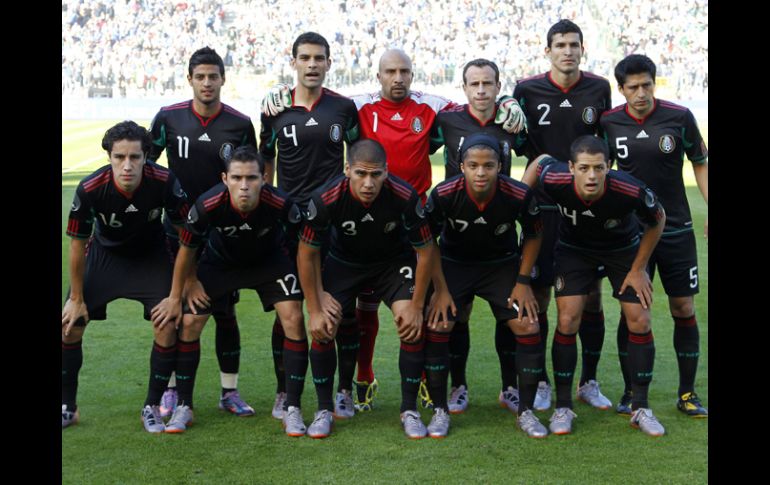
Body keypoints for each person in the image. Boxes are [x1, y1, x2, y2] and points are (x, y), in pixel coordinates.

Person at [263, 47, 526, 412]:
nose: (398, 78)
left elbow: (477, 104)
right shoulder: (355, 107)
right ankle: (362, 377)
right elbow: (315, 96)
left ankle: (422, 385)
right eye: (390, 71)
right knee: (356, 306)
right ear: (379, 75)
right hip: (351, 215)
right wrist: (280, 92)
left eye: (404, 71)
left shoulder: (433, 107)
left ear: (412, 74)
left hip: (411, 219)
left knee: (418, 308)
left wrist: (508, 100)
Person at [150, 146, 307, 435]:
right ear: (225, 178)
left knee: (294, 317)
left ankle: (291, 405)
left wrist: (307, 286)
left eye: (251, 178)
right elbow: (186, 250)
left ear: (265, 177)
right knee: (190, 321)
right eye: (237, 178)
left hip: (268, 262)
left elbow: (306, 246)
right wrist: (183, 290)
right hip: (220, 263)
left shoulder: (282, 203)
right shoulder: (207, 204)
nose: (244, 186)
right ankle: (184, 404)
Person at [521, 135, 667, 437]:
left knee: (639, 319)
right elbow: (538, 163)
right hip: (574, 250)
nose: (591, 176)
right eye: (584, 168)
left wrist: (638, 269)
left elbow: (658, 219)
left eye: (599, 168)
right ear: (571, 167)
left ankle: (641, 406)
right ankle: (563, 405)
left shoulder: (628, 189)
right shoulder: (555, 177)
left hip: (622, 251)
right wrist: (521, 198)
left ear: (608, 166)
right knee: (567, 318)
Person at [296, 139, 437, 439]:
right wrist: (316, 304)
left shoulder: (405, 196)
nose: (369, 183)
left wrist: (416, 306)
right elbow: (306, 254)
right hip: (344, 263)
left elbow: (426, 251)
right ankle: (325, 408)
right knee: (324, 325)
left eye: (376, 175)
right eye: (361, 173)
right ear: (347, 169)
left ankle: (409, 409)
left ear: (387, 172)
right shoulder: (325, 198)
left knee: (410, 324)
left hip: (391, 263)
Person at [147, 47, 259, 419]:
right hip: (176, 234)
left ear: (223, 79)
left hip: (221, 235)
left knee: (225, 315)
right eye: (201, 77)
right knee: (175, 310)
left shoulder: (240, 124)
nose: (207, 83)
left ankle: (229, 391)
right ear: (190, 79)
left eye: (214, 76)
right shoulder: (169, 118)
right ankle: (171, 391)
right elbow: (149, 169)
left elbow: (250, 175)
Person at [62, 121, 189, 433]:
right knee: (69, 326)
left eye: (135, 157)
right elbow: (77, 244)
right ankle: (68, 407)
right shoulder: (91, 188)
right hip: (105, 256)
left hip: (150, 256)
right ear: (109, 157)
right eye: (119, 157)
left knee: (167, 323)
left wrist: (178, 293)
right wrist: (76, 299)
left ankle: (152, 406)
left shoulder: (164, 181)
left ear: (147, 156)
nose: (127, 165)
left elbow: (188, 236)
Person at [513, 19, 613, 411]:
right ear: (548, 50)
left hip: (587, 210)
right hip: (544, 210)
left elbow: (607, 147)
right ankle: (539, 381)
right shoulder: (526, 90)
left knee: (590, 297)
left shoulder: (599, 88)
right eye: (560, 45)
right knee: (537, 295)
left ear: (582, 49)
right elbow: (518, 141)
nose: (567, 51)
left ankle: (588, 380)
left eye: (574, 44)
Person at [259, 32, 360, 420]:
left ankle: (344, 391)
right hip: (289, 219)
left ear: (329, 63)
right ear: (294, 62)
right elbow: (265, 161)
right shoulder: (274, 108)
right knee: (289, 310)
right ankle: (285, 391)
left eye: (320, 58)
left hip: (333, 221)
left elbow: (357, 158)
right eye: (306, 57)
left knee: (341, 309)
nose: (313, 64)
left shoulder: (344, 108)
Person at [600, 54, 708, 417]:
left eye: (647, 84)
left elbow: (700, 162)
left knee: (683, 307)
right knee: (632, 311)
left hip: (676, 228)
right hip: (631, 234)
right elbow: (600, 172)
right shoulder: (609, 123)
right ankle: (631, 390)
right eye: (633, 87)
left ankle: (687, 393)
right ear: (622, 90)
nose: (642, 92)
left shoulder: (679, 117)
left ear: (654, 83)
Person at [423, 132, 547, 438]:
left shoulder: (518, 194)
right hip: (454, 264)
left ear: (500, 165)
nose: (481, 172)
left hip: (501, 265)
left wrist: (522, 281)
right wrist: (439, 289)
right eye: (474, 165)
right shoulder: (443, 194)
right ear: (461, 165)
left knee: (528, 325)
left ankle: (526, 411)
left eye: (489, 166)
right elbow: (427, 242)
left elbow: (533, 235)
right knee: (439, 325)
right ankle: (441, 409)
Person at [428, 59, 527, 414]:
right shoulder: (447, 121)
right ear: (465, 87)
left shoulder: (511, 121)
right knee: (458, 314)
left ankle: (510, 387)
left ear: (499, 87)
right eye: (475, 84)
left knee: (510, 316)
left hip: (499, 236)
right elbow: (414, 144)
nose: (482, 90)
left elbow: (540, 154)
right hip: (457, 239)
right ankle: (459, 387)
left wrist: (523, 191)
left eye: (488, 83)